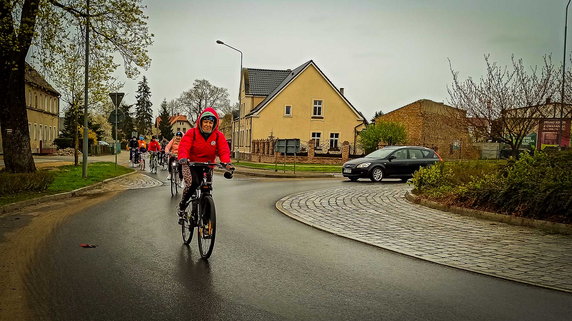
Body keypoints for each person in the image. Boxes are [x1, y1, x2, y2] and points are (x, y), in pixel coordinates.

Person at [177, 108, 233, 219]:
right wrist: (183, 158)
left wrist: (226, 163)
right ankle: (182, 205)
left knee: (207, 188)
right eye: (205, 122)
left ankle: (206, 220)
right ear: (201, 122)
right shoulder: (192, 133)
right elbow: (184, 146)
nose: (208, 125)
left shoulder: (218, 136)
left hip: (207, 165)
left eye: (211, 122)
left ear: (214, 124)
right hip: (191, 164)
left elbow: (223, 150)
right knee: (193, 183)